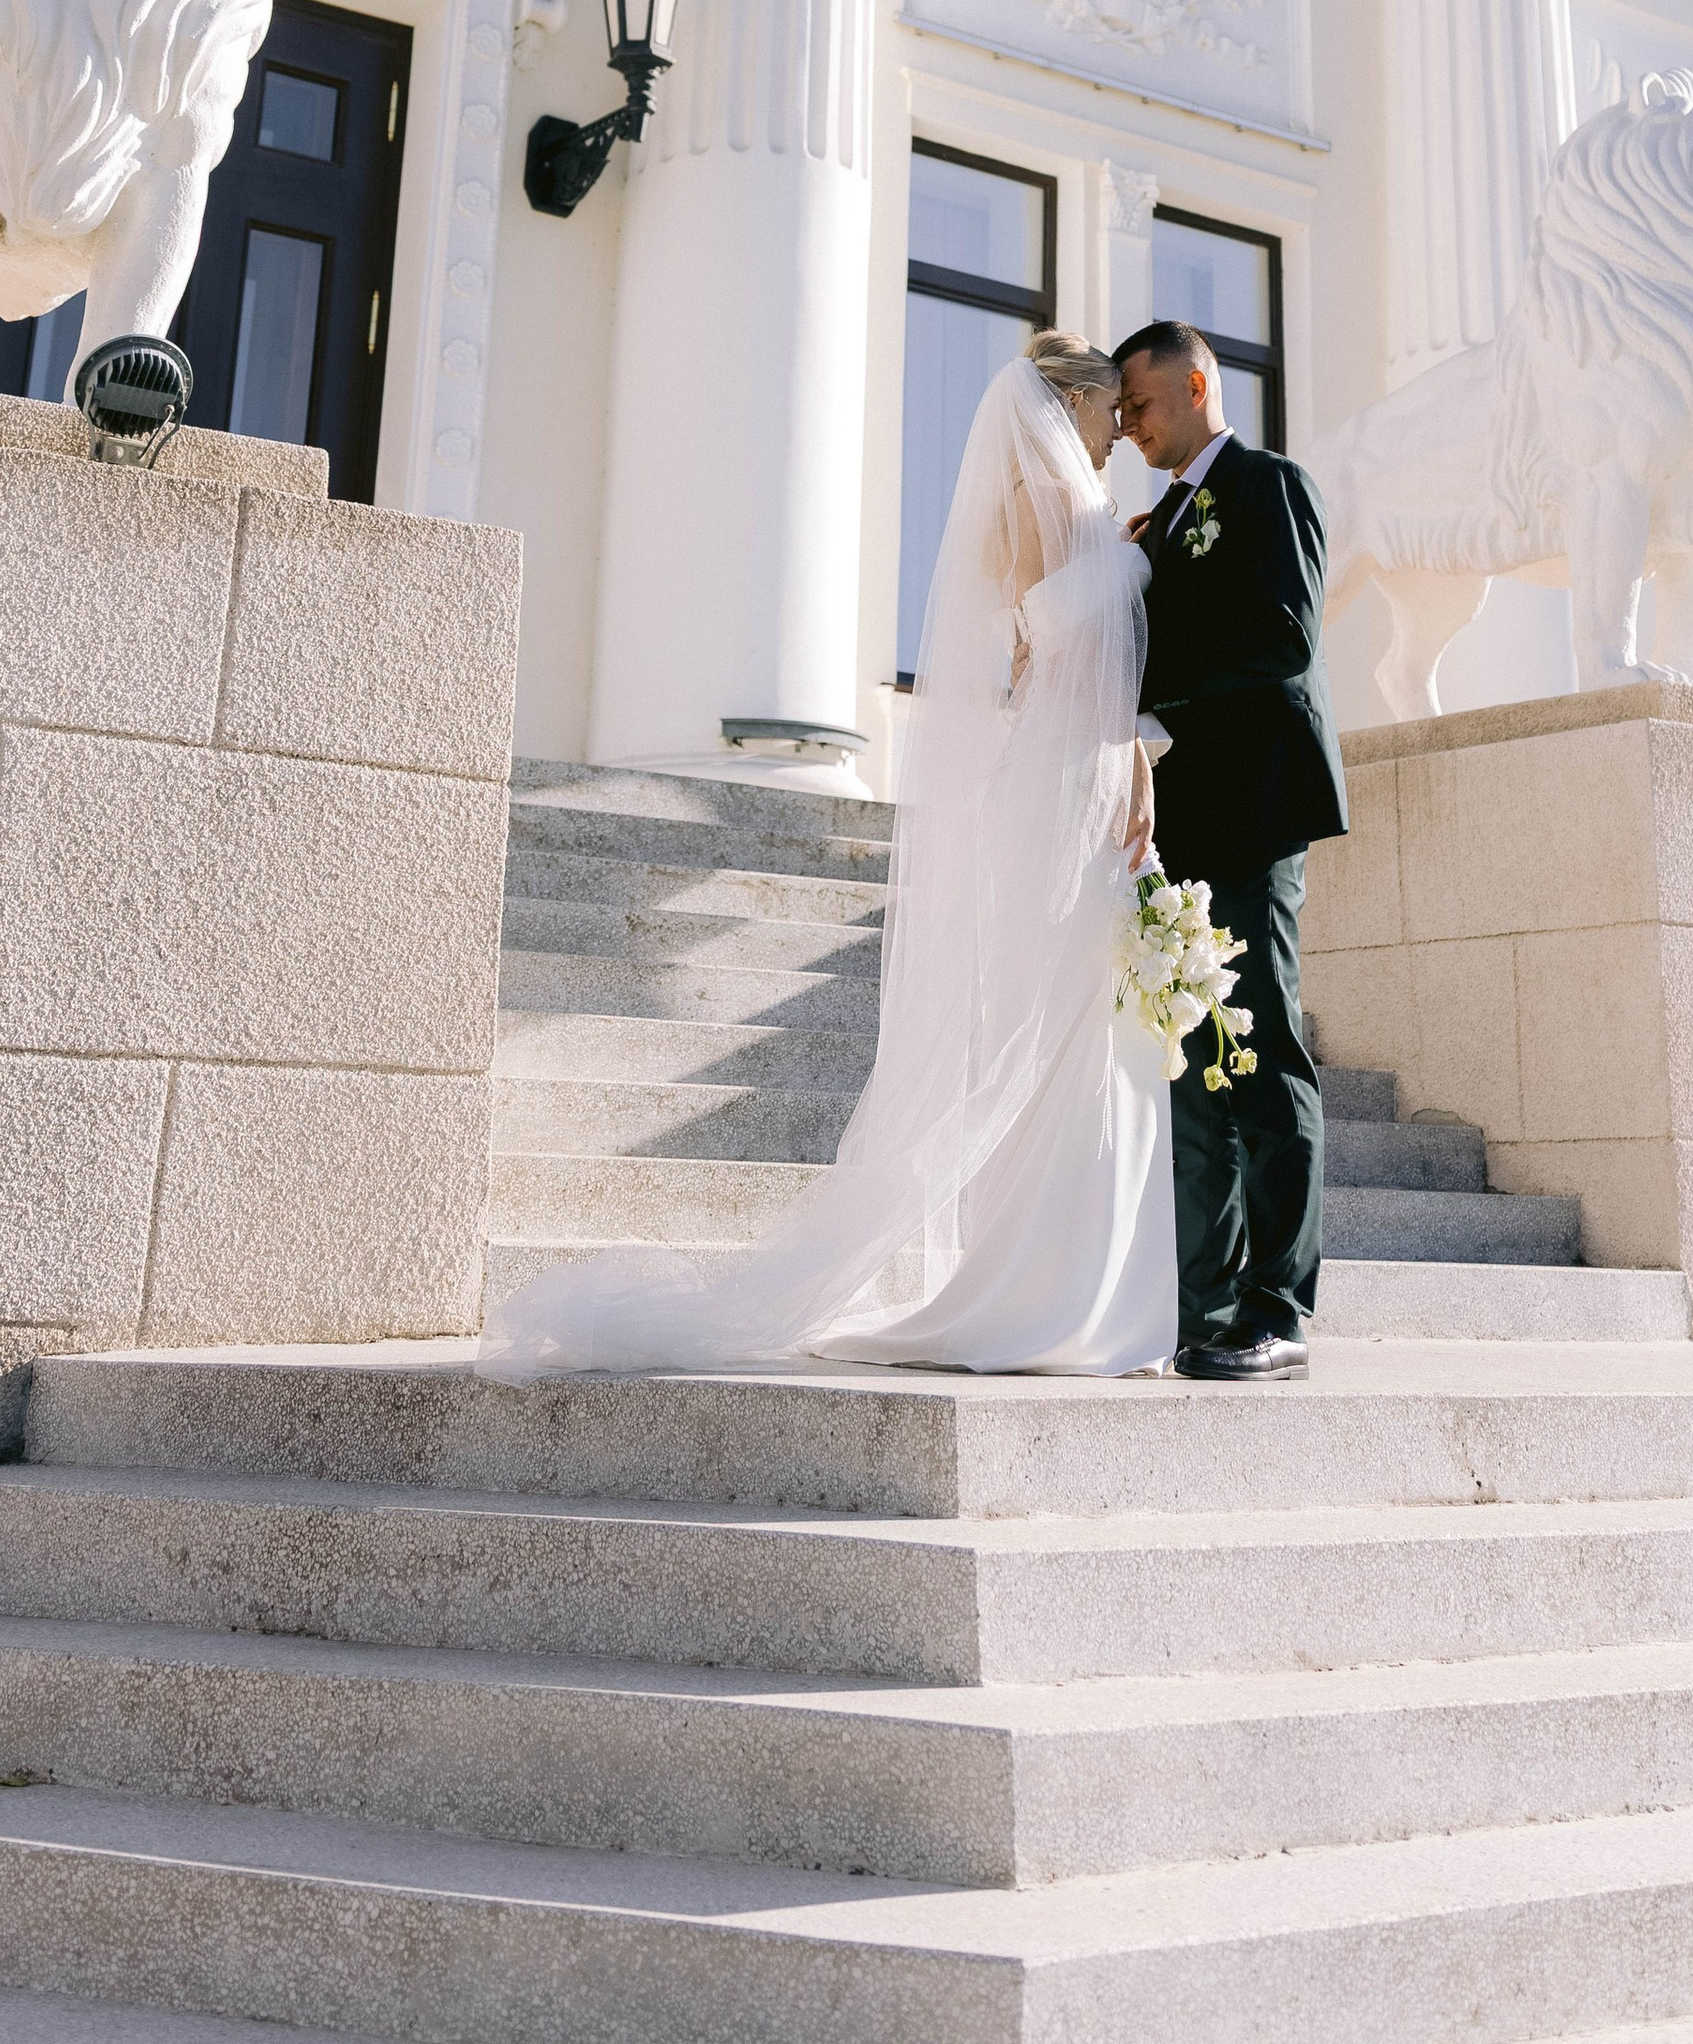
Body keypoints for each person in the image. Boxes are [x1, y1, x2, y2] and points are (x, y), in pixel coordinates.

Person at [475, 332, 1176, 1381]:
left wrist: (1132, 754)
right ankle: (1053, 1295)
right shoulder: (1069, 512)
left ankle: (1075, 1288)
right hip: (1068, 782)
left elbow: (1043, 663)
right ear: (1066, 405)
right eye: (1107, 410)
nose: (1119, 430)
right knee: (1066, 1029)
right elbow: (1077, 658)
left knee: (1086, 1029)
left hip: (1063, 777)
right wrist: (1131, 722)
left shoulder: (1033, 515)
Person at [1115, 319, 1347, 1384]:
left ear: (1197, 384)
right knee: (1193, 1068)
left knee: (1262, 1059)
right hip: (1181, 823)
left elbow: (1285, 635)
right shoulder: (1156, 519)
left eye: (1141, 405)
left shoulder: (1267, 485)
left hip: (1254, 809)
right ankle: (1200, 1302)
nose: (1125, 428)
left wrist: (1154, 682)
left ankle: (1279, 1307)